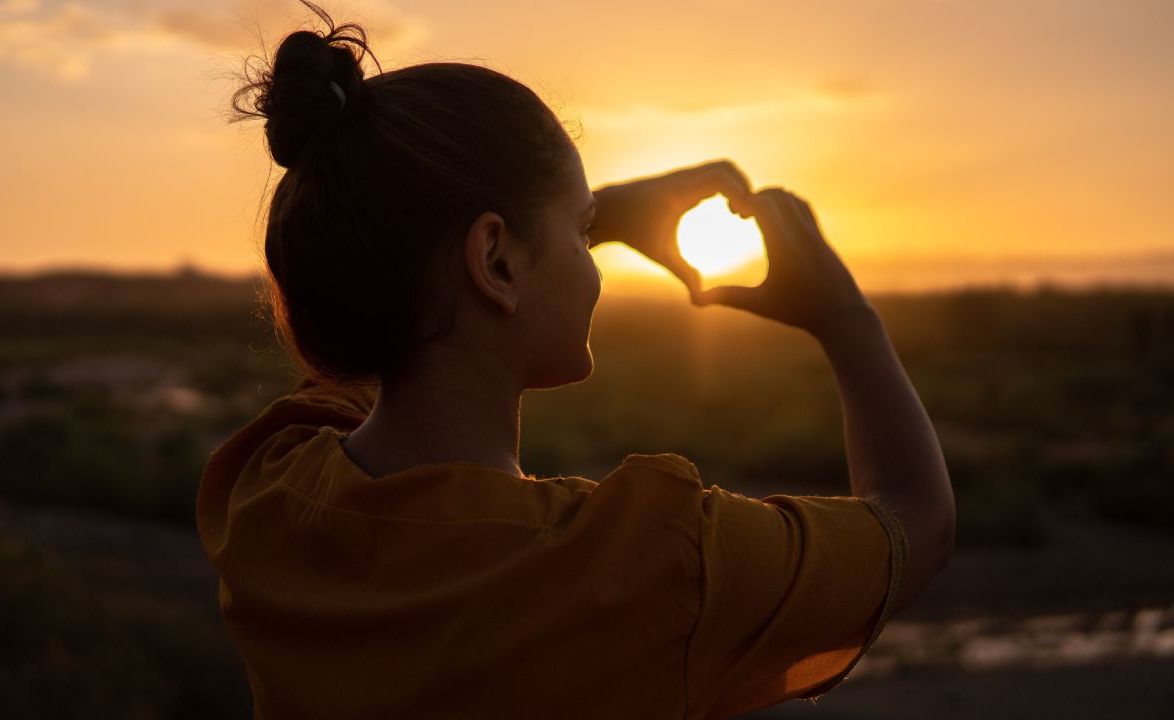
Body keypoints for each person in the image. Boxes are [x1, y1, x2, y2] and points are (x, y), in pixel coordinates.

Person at [196, 2, 956, 718]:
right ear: (494, 260)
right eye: (582, 232)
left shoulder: (268, 492)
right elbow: (915, 522)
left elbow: (381, 315)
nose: (593, 262)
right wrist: (844, 318)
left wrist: (571, 219)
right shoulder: (651, 564)